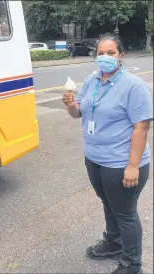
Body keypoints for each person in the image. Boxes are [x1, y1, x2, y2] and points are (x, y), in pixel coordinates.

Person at [63, 33, 153, 274]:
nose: (105, 57)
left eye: (110, 53)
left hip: (122, 162)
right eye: (100, 53)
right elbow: (78, 113)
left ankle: (132, 265)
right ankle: (113, 243)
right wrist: (71, 105)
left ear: (121, 56)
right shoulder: (92, 80)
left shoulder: (134, 86)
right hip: (95, 158)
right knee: (109, 204)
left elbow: (141, 127)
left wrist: (133, 165)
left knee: (125, 213)